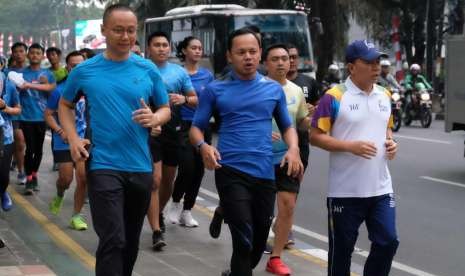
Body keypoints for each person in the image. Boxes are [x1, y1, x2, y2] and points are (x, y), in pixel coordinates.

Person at [58, 4, 170, 276]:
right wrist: (73, 138)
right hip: (103, 165)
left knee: (130, 242)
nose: (125, 36)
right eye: (118, 30)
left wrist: (155, 119)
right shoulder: (85, 70)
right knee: (113, 238)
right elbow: (64, 105)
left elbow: (165, 108)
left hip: (140, 166)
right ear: (104, 30)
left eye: (131, 31)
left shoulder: (148, 69)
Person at [190, 28, 303, 276]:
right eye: (241, 52)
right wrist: (204, 146)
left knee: (259, 242)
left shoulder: (273, 90)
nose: (248, 57)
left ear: (260, 53)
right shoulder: (215, 90)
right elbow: (196, 129)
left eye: (253, 51)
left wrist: (293, 148)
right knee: (243, 239)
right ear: (230, 56)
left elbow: (287, 127)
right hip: (230, 170)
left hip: (264, 173)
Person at [309, 40, 399, 276]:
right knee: (342, 253)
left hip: (380, 188)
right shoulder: (334, 97)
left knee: (388, 242)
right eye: (369, 62)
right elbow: (315, 136)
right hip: (345, 192)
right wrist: (350, 146)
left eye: (378, 61)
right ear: (351, 67)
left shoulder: (385, 94)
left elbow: (385, 128)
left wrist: (391, 143)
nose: (376, 67)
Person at [146, 31, 197, 251]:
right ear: (149, 48)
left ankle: (158, 212)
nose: (161, 48)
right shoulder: (141, 69)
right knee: (155, 181)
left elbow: (195, 100)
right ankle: (157, 230)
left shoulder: (179, 72)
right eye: (156, 45)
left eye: (165, 45)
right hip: (150, 132)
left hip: (174, 131)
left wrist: (184, 98)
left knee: (168, 180)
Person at [262, 44, 310, 276]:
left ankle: (276, 257)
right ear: (265, 63)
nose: (282, 63)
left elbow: (301, 122)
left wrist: (316, 118)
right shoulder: (256, 88)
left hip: (286, 157)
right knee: (259, 212)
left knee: (288, 206)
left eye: (285, 59)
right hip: (258, 158)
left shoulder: (296, 91)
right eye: (275, 59)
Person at [169, 36, 214, 227]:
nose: (197, 51)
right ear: (184, 51)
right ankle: (175, 203)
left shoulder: (207, 76)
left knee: (199, 170)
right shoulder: (177, 74)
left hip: (204, 126)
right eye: (193, 48)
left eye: (200, 48)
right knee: (187, 167)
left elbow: (212, 100)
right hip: (183, 126)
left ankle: (187, 211)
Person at [45, 51, 88, 230]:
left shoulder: (92, 88)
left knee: (83, 177)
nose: (77, 68)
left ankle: (76, 216)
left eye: (81, 65)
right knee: (66, 179)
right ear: (68, 68)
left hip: (84, 139)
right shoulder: (59, 91)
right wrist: (60, 130)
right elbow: (48, 115)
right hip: (63, 140)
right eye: (73, 65)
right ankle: (60, 194)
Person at [19, 43, 56, 195]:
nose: (34, 55)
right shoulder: (21, 74)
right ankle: (28, 178)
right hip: (26, 117)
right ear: (28, 55)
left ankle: (34, 175)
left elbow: (51, 91)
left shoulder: (47, 75)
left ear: (42, 56)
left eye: (38, 53)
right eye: (32, 53)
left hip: (41, 117)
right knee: (30, 149)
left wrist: (44, 84)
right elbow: (16, 90)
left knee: (39, 150)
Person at [5, 42, 28, 185]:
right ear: (12, 54)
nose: (19, 54)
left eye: (21, 51)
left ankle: (31, 172)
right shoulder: (6, 73)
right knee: (18, 142)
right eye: (16, 51)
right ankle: (21, 171)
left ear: (26, 53)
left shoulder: (33, 71)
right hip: (13, 113)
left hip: (32, 114)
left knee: (28, 145)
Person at [0, 72, 21, 211]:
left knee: (3, 174)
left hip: (5, 136)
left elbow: (18, 109)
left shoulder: (10, 86)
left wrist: (4, 107)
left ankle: (2, 192)